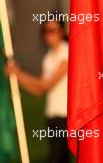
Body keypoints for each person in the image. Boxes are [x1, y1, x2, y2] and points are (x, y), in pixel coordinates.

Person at [6, 16, 70, 163]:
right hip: (52, 116)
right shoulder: (48, 57)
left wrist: (18, 74)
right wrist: (17, 77)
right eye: (45, 31)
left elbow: (47, 84)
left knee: (56, 158)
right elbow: (39, 90)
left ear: (62, 31)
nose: (48, 35)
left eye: (52, 30)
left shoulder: (66, 53)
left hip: (65, 117)